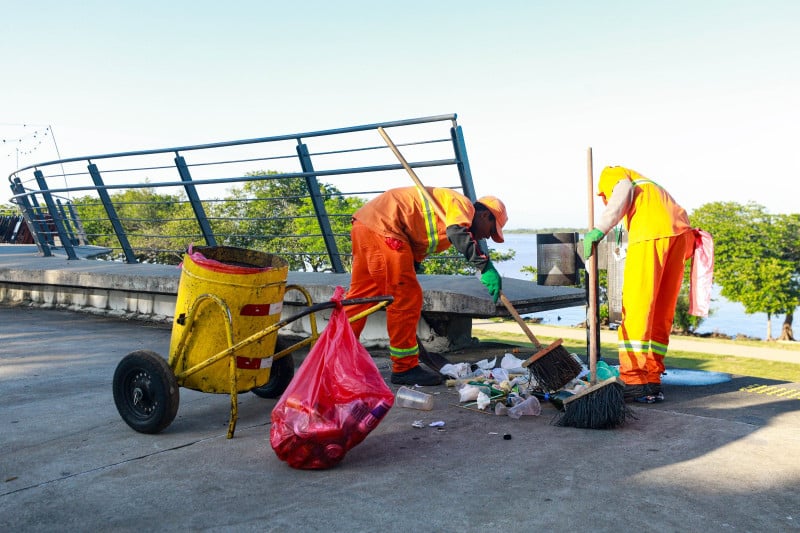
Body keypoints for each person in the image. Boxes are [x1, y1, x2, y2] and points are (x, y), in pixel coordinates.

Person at [345, 186, 508, 386]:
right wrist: (484, 266)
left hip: (367, 225)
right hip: (385, 229)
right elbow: (456, 232)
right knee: (406, 297)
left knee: (363, 298)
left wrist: (411, 263)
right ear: (485, 215)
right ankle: (404, 368)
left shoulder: (447, 209)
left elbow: (417, 234)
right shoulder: (464, 206)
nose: (486, 237)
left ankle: (336, 355)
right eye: (491, 231)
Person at [584, 166, 694, 403]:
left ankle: (634, 379)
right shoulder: (650, 188)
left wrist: (599, 230)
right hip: (680, 234)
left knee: (637, 306)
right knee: (660, 311)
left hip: (651, 231)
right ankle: (651, 378)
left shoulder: (612, 173)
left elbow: (621, 190)